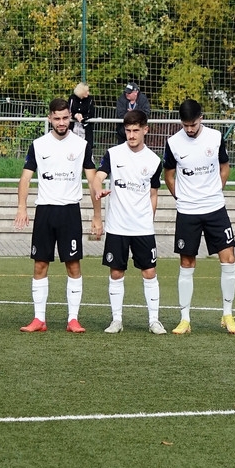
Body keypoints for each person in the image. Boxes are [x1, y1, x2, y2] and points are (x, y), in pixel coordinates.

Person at [14, 97, 102, 333]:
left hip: (69, 211)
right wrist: (22, 207)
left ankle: (73, 319)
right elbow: (25, 178)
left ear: (70, 117)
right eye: (57, 118)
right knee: (40, 264)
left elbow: (93, 181)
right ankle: (39, 319)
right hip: (45, 210)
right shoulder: (38, 144)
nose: (62, 122)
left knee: (73, 265)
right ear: (49, 118)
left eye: (65, 118)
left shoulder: (81, 145)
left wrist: (97, 216)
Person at [163, 99, 235, 335]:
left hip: (215, 208)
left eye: (193, 124)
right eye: (185, 125)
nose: (189, 129)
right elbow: (169, 175)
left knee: (229, 258)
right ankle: (185, 319)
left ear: (201, 119)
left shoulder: (215, 137)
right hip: (187, 211)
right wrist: (180, 197)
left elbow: (224, 166)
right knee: (187, 263)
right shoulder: (173, 143)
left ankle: (227, 314)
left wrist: (217, 189)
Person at [90, 110, 166, 334]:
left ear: (145, 130)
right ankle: (117, 320)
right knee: (116, 273)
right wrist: (98, 189)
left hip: (142, 227)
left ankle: (154, 320)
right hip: (117, 226)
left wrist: (149, 220)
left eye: (135, 130)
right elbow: (98, 177)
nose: (131, 135)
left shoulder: (154, 160)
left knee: (149, 272)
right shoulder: (113, 154)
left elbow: (153, 193)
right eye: (128, 131)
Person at [69, 82, 95, 151]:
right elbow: (69, 111)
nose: (88, 93)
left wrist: (83, 117)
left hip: (85, 128)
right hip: (73, 127)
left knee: (86, 148)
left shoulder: (90, 99)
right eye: (86, 91)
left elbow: (91, 113)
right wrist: (75, 115)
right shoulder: (72, 98)